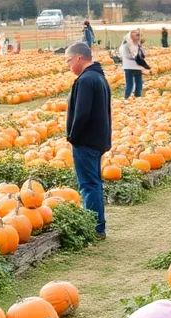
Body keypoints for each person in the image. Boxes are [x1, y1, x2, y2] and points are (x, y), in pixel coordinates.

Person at [64, 41, 111, 238]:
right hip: (97, 138)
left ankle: (94, 227)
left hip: (86, 140)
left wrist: (73, 136)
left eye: (68, 61)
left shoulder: (85, 80)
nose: (67, 65)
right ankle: (97, 225)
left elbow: (82, 113)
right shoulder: (98, 77)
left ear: (79, 58)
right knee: (94, 183)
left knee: (88, 185)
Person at [119, 30, 147, 98]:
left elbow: (143, 54)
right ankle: (127, 98)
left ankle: (137, 98)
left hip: (137, 67)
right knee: (129, 85)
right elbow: (127, 56)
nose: (138, 37)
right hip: (129, 67)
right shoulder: (126, 46)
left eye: (138, 36)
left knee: (139, 84)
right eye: (136, 36)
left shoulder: (138, 45)